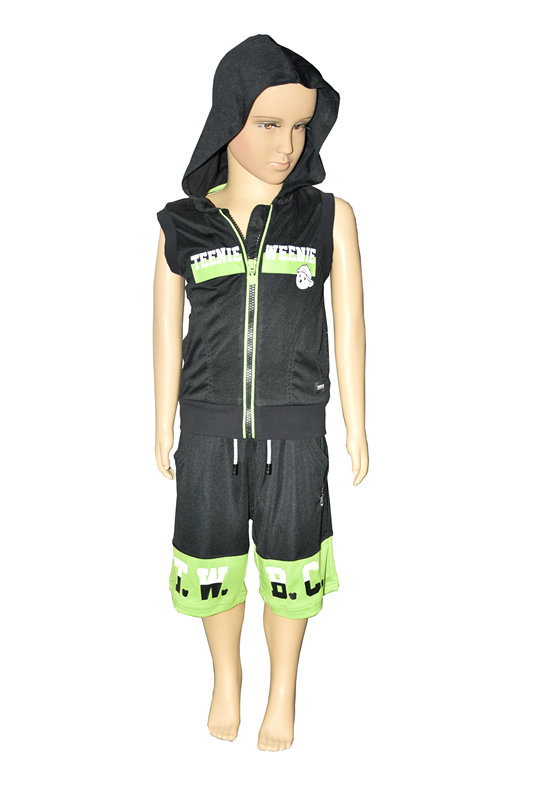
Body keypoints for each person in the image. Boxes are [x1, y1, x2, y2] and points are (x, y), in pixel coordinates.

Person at [153, 34, 368, 751]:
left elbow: (350, 327)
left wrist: (356, 424)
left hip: (295, 430)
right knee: (212, 566)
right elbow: (164, 331)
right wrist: (162, 422)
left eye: (300, 125)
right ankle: (226, 679)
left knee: (291, 569)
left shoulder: (328, 217)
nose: (286, 145)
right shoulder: (182, 225)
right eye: (268, 123)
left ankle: (282, 693)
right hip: (207, 430)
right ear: (229, 117)